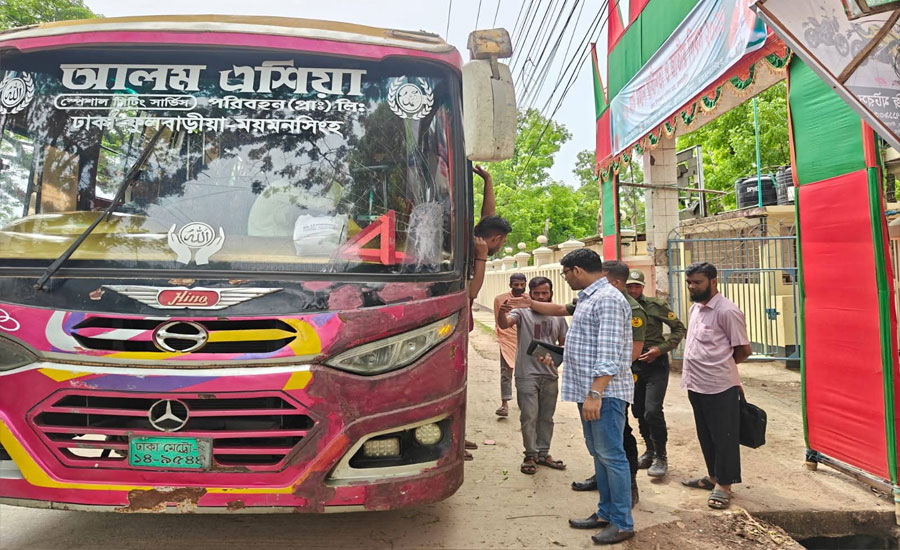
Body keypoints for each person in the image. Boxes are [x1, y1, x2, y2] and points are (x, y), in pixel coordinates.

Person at [559, 249, 635, 545]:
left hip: (604, 394)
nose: (565, 278)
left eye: (565, 273)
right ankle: (606, 512)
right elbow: (586, 345)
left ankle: (622, 522)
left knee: (612, 456)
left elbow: (609, 353)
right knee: (600, 454)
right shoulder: (589, 298)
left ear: (577, 270)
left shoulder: (607, 300)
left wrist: (595, 393)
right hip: (589, 391)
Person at [678, 262, 751, 511]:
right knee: (706, 434)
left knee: (724, 437)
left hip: (720, 385)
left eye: (697, 282)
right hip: (695, 383)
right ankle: (713, 476)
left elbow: (743, 350)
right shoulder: (695, 308)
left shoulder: (727, 311)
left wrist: (722, 367)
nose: (692, 286)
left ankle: (724, 485)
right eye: (689, 282)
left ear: (713, 281)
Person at [497, 277, 568, 475]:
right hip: (526, 374)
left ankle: (543, 453)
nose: (541, 297)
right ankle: (530, 454)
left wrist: (556, 355)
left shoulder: (558, 316)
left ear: (551, 293)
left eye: (545, 293)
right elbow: (505, 324)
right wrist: (501, 313)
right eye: (536, 293)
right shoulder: (521, 312)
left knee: (547, 417)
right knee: (529, 415)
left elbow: (564, 343)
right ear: (530, 294)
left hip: (550, 374)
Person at [466, 165, 511, 460]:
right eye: (502, 241)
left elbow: (487, 219)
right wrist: (482, 258)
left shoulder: (474, 237)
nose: (501, 246)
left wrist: (488, 180)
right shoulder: (474, 251)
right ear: (494, 240)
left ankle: (457, 434)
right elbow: (471, 292)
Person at [626, 269, 687, 478]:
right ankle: (650, 451)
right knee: (638, 409)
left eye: (637, 286)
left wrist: (660, 349)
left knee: (652, 410)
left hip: (655, 364)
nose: (633, 290)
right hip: (633, 364)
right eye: (629, 286)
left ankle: (661, 456)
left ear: (643, 287)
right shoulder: (621, 305)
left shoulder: (655, 305)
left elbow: (679, 328)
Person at [493, 273, 526, 417]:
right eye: (516, 284)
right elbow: (498, 321)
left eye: (522, 285)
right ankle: (504, 404)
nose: (519, 287)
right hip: (507, 339)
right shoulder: (500, 299)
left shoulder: (529, 300)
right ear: (510, 284)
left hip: (525, 340)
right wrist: (501, 338)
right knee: (506, 372)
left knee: (524, 373)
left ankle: (523, 402)